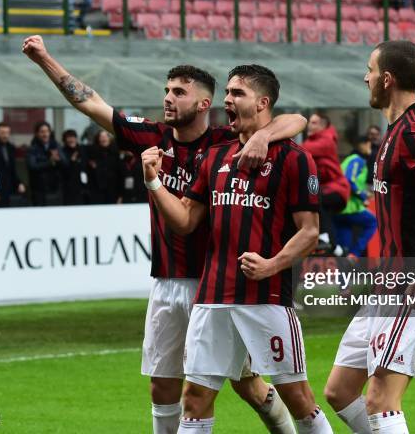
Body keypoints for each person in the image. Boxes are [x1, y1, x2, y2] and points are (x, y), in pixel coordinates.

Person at [23, 35, 306, 434]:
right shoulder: (151, 137)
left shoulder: (226, 140)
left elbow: (297, 121)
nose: (168, 98)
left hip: (216, 284)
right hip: (166, 282)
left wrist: (262, 136)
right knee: (162, 383)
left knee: (247, 384)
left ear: (204, 104)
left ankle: (285, 429)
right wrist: (43, 59)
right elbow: (87, 101)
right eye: (167, 90)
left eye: (179, 92)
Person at [141, 64, 334, 434]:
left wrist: (271, 264)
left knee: (299, 399)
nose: (226, 100)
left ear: (262, 103)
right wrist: (153, 183)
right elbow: (184, 221)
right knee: (194, 399)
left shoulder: (295, 159)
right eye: (227, 93)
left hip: (266, 297)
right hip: (211, 297)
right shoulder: (215, 157)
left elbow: (309, 233)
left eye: (236, 93)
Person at [325, 41, 415, 434]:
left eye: (370, 69)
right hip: (387, 282)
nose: (365, 77)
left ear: (386, 79)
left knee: (381, 399)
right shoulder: (394, 132)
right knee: (339, 390)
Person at [302, 111, 350, 257]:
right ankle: (336, 248)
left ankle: (323, 237)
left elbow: (300, 151)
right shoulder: (312, 141)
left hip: (337, 190)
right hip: (326, 189)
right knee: (317, 205)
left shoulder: (327, 141)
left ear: (323, 126)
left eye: (314, 123)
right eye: (309, 122)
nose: (309, 125)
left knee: (315, 198)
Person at [334, 138, 377, 260]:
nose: (370, 148)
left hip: (339, 208)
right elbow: (349, 180)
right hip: (350, 208)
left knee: (343, 250)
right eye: (369, 144)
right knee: (373, 222)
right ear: (362, 145)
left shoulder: (348, 160)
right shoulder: (357, 160)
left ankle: (342, 277)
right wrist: (363, 196)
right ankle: (356, 253)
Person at [26, 121, 67, 206]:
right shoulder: (32, 148)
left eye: (47, 131)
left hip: (54, 189)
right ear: (37, 134)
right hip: (38, 189)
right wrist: (50, 162)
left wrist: (58, 160)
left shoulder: (56, 145)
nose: (45, 134)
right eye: (42, 132)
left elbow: (65, 164)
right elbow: (32, 166)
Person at [0, 122, 26, 207]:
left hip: (9, 187)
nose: (5, 135)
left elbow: (12, 169)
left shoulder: (11, 148)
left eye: (7, 133)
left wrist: (19, 183)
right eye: (2, 133)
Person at [87, 130, 121, 204]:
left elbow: (119, 173)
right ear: (98, 139)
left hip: (113, 190)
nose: (103, 138)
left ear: (109, 139)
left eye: (105, 136)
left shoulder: (116, 153)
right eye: (101, 136)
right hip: (97, 191)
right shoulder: (92, 153)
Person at [61, 129, 89, 205]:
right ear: (64, 140)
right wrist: (72, 161)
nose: (71, 139)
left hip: (84, 187)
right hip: (69, 189)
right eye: (68, 137)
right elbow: (63, 171)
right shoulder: (62, 152)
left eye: (73, 137)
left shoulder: (83, 149)